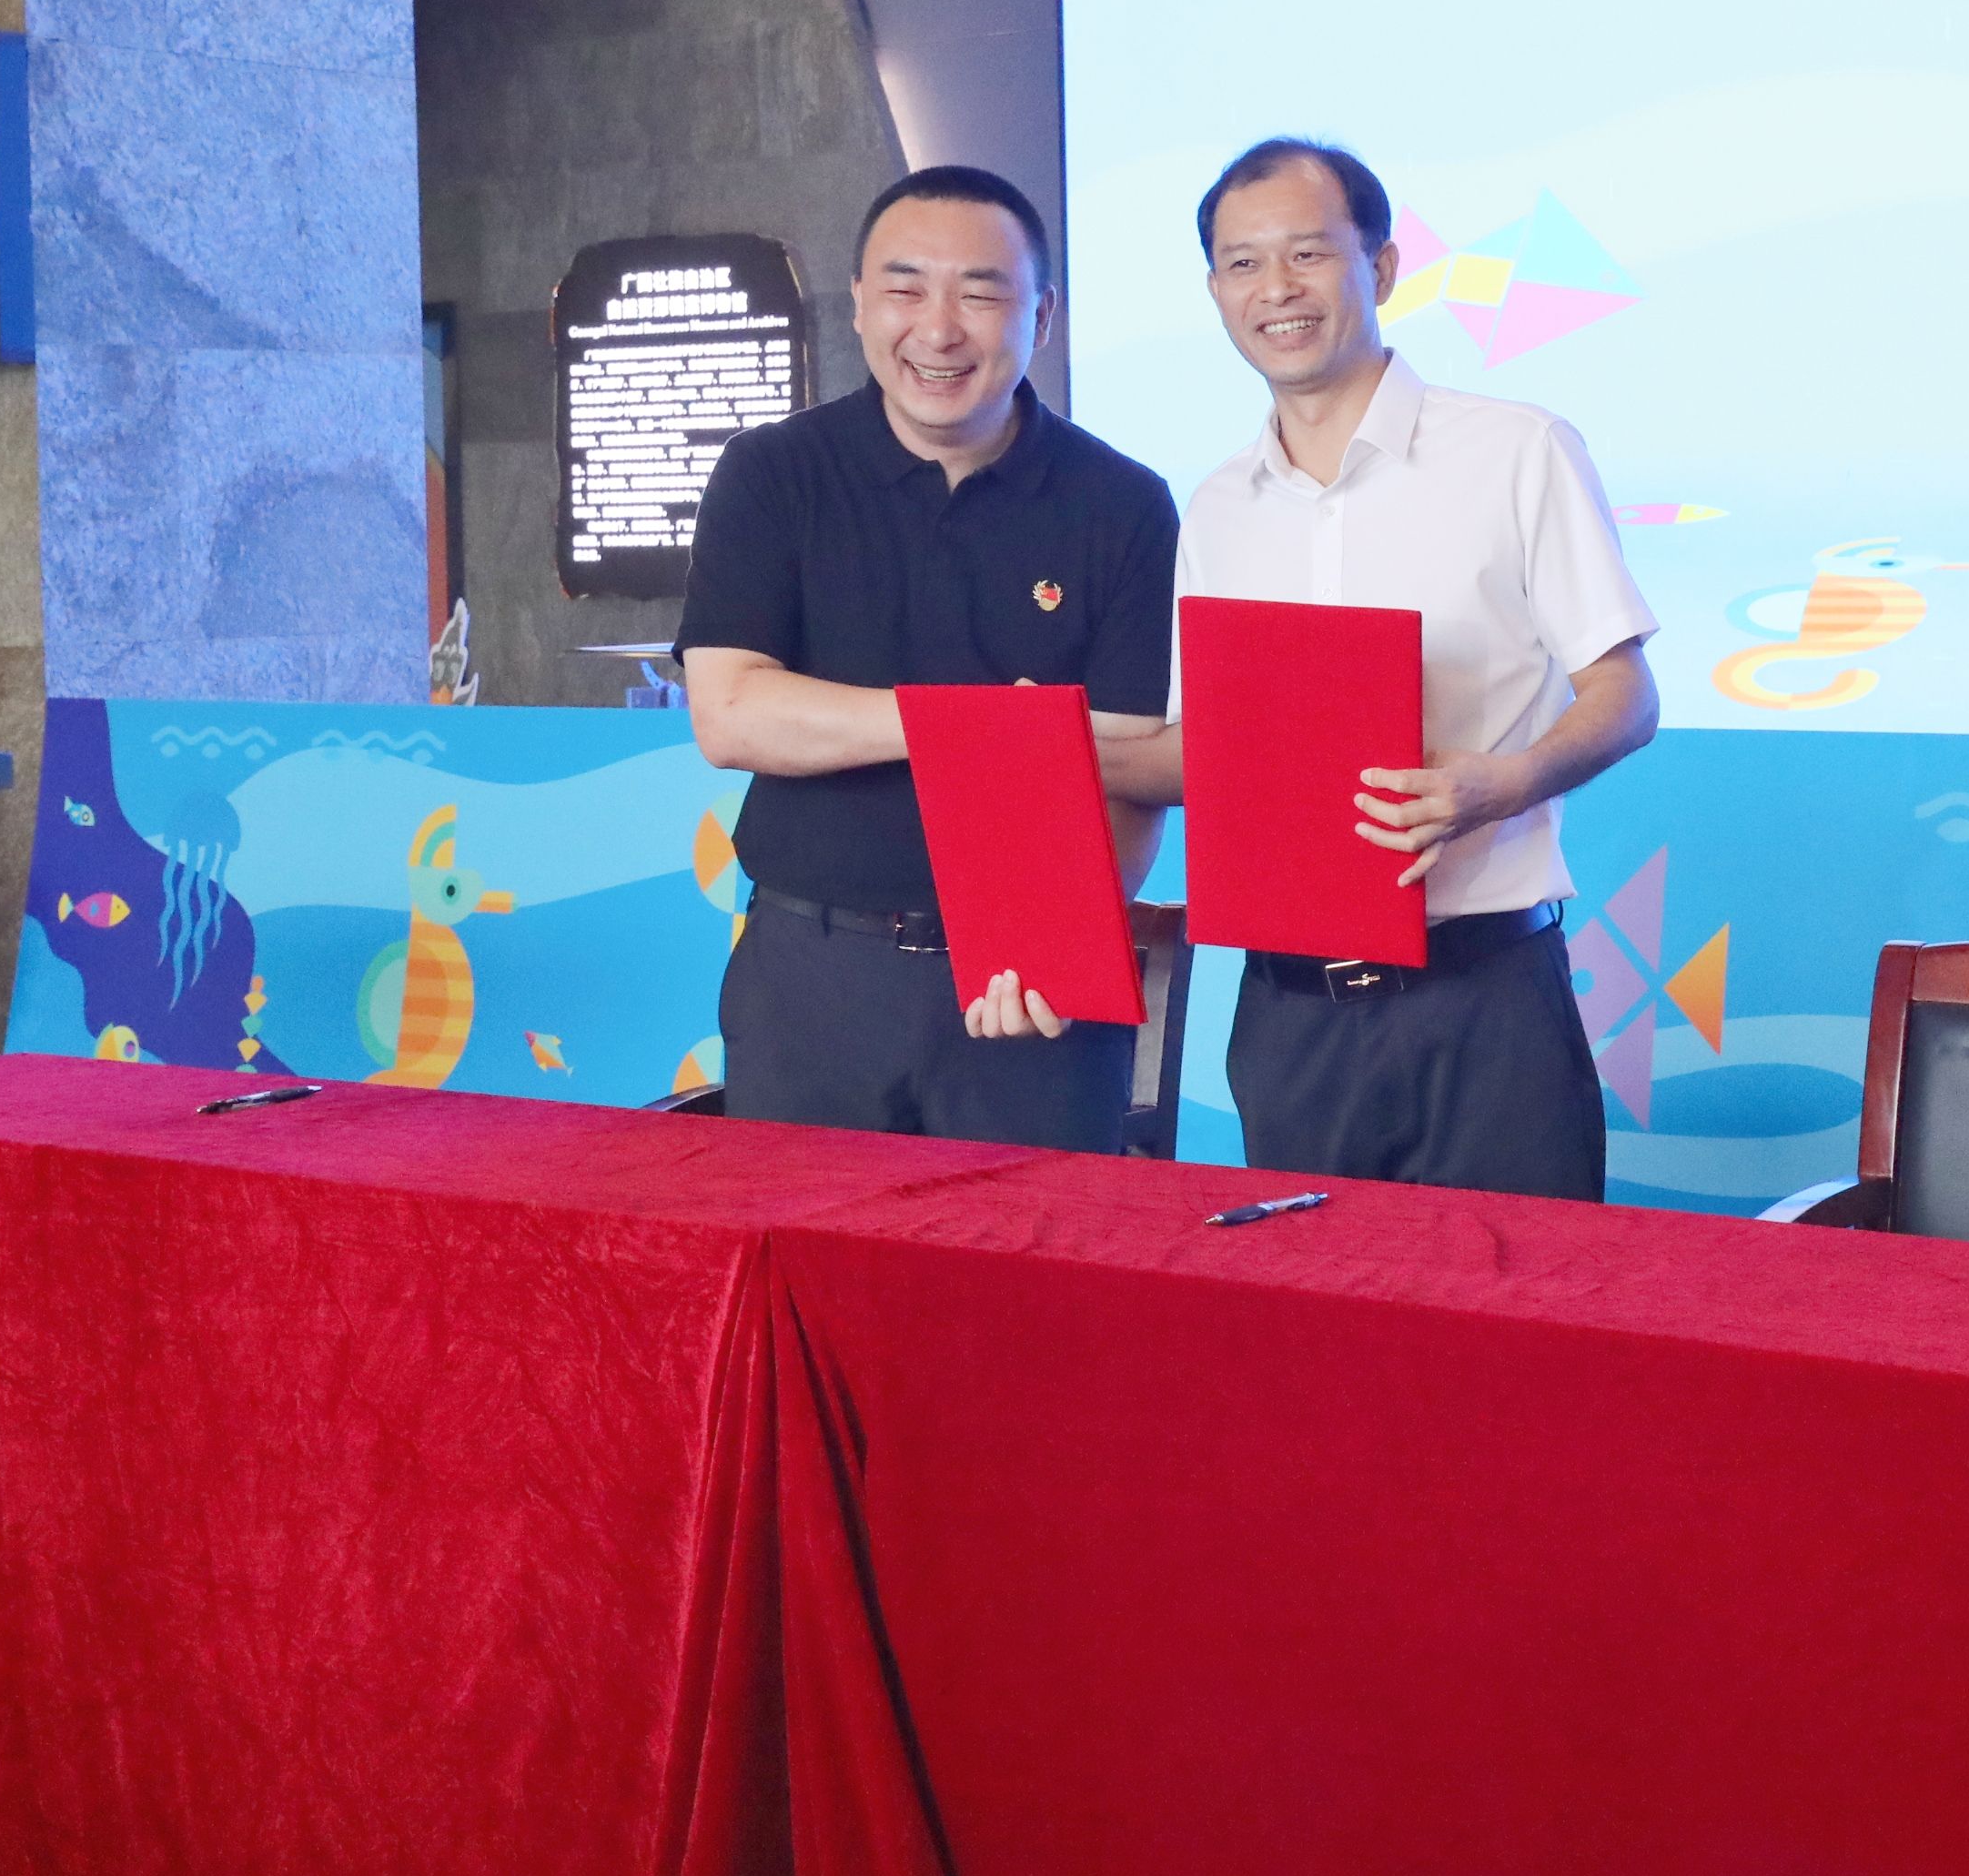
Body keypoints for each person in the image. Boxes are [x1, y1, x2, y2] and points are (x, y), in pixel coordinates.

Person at [1096, 137, 1660, 1199]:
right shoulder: (1216, 507)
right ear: (1215, 291)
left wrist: (1505, 783)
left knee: (1516, 1299)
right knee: (1312, 1304)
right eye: (1243, 263)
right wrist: (1048, 750)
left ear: (1385, 268)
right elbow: (1206, 750)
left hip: (1486, 998)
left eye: (1308, 254)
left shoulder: (1517, 451)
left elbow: (1626, 696)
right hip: (1288, 1016)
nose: (1276, 289)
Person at [678, 166, 1180, 1152]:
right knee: (801, 1249)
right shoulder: (772, 474)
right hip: (812, 975)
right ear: (860, 305)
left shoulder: (1122, 504)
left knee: (1035, 1251)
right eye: (905, 289)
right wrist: (975, 723)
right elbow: (731, 715)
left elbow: (1123, 771)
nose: (939, 330)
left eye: (981, 294)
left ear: (1042, 317)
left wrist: (1050, 945)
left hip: (1034, 997)